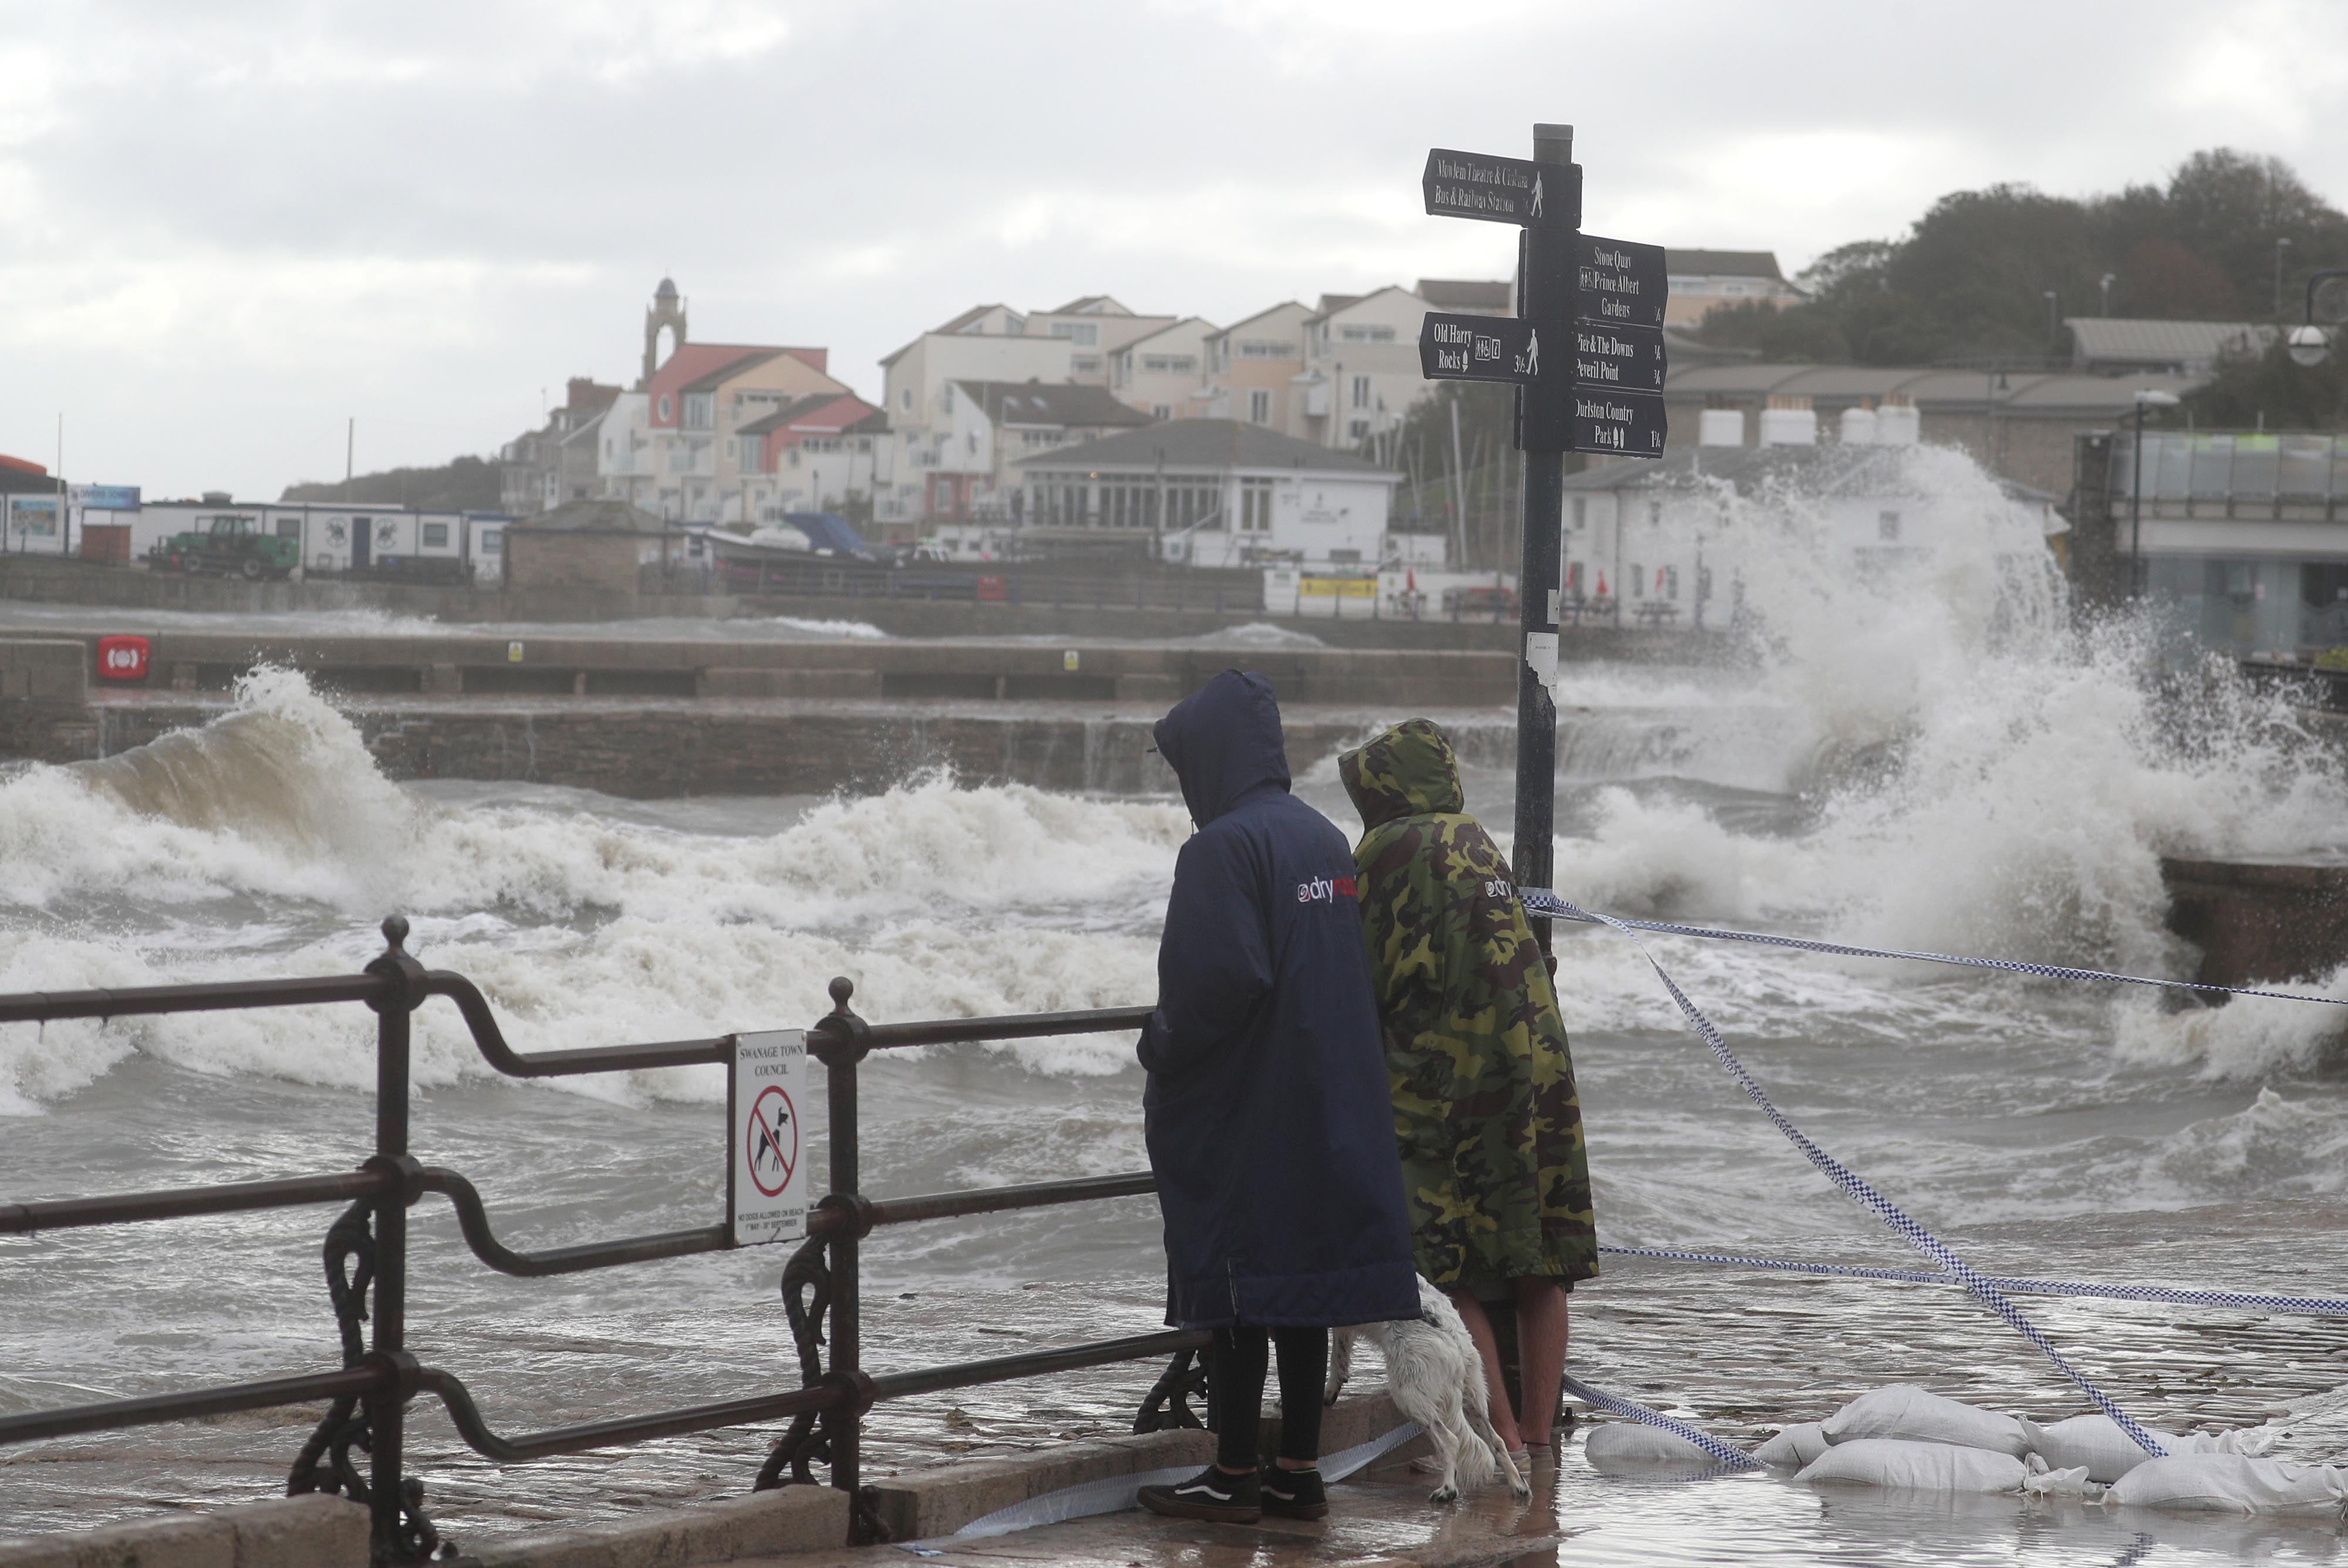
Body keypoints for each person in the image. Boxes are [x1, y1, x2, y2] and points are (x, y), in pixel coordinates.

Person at [1134, 670, 1420, 1524]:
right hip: (1329, 1090)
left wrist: (1160, 1044)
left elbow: (1219, 979)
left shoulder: (1220, 848)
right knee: (1303, 1285)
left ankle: (1231, 1470)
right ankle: (1298, 1467)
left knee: (1237, 1287)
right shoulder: (1324, 839)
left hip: (1250, 1103)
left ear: (1210, 759)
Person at [1337, 717, 1597, 1461]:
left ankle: (1501, 1433)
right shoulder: (1476, 837)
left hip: (1449, 1079)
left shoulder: (1387, 850)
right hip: (1537, 1068)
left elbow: (1360, 973)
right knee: (1540, 1258)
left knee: (1452, 1267)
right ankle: (1542, 1441)